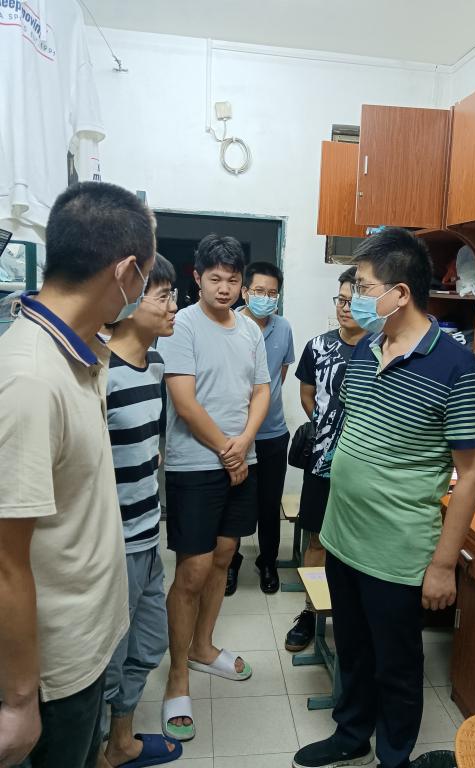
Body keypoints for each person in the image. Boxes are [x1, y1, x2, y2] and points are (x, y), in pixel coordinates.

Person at [293, 229, 475, 768]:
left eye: (362, 286)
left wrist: (443, 565)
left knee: (396, 665)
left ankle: (394, 756)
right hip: (343, 537)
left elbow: (472, 475)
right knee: (353, 649)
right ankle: (350, 734)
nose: (354, 297)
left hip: (397, 552)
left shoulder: (458, 368)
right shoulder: (366, 349)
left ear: (399, 293)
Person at [0, 181, 156, 768]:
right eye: (146, 278)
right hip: (51, 671)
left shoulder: (79, 354)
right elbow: (4, 558)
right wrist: (20, 700)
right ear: (126, 273)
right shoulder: (29, 378)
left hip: (86, 643)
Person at [157, 234, 271, 741]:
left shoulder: (249, 329)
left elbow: (262, 390)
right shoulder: (181, 325)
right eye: (215, 279)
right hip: (195, 464)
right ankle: (177, 675)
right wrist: (228, 450)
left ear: (241, 284)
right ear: (197, 278)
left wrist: (244, 443)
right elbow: (184, 402)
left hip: (242, 459)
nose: (224, 288)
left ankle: (204, 647)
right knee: (193, 569)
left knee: (224, 557)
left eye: (233, 280)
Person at [102, 254, 181, 768]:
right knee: (106, 657)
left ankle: (121, 741)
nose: (175, 307)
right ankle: (97, 750)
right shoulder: (99, 373)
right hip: (113, 546)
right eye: (165, 296)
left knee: (149, 642)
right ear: (130, 300)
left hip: (148, 534)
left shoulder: (153, 364)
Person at [285, 267, 365, 652]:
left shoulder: (383, 349)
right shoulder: (318, 346)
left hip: (365, 467)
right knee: (317, 537)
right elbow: (308, 394)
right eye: (341, 300)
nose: (344, 308)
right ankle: (309, 612)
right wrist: (325, 427)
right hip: (322, 462)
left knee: (357, 544)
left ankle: (353, 615)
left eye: (353, 301)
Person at [226, 261, 295, 596]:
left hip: (273, 434)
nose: (266, 298)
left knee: (269, 504)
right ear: (245, 292)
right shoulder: (229, 324)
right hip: (236, 436)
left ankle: (267, 561)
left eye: (272, 293)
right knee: (235, 502)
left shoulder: (283, 329)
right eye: (259, 291)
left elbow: (277, 378)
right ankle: (230, 561)